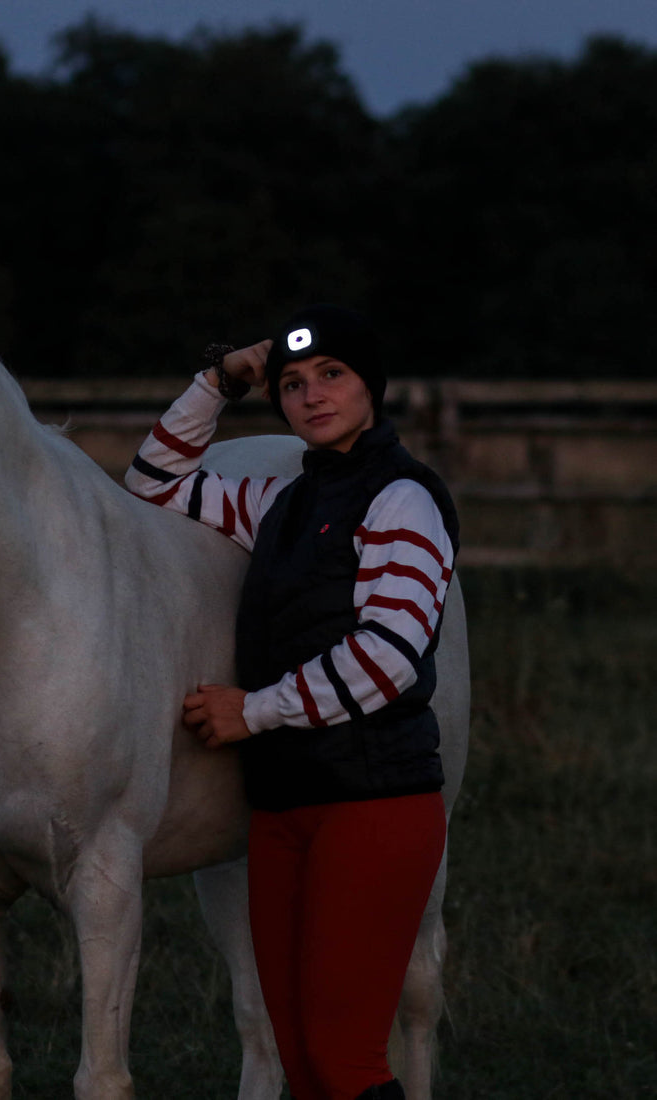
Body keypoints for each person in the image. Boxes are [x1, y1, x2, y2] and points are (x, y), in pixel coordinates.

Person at [124, 304, 459, 1100]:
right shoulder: (279, 502)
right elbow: (150, 486)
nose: (311, 396)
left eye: (332, 375)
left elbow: (388, 656)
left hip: (374, 806)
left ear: (369, 387)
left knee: (344, 1062)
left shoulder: (404, 498)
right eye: (292, 384)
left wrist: (255, 710)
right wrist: (219, 379)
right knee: (300, 1062)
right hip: (282, 812)